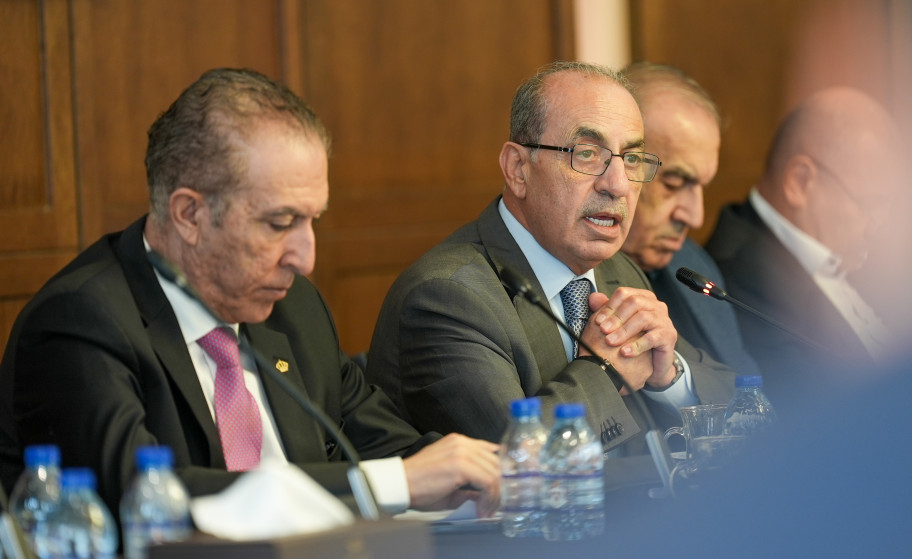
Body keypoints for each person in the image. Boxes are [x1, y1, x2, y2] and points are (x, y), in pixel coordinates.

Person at [0, 68, 500, 520]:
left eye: (312, 220)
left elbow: (391, 451)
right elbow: (143, 501)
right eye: (280, 223)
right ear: (190, 215)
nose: (305, 258)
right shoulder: (81, 321)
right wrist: (389, 485)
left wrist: (494, 475)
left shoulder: (294, 307)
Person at [365, 61, 736, 454]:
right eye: (587, 153)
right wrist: (604, 371)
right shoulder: (447, 297)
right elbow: (516, 458)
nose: (617, 185)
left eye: (631, 159)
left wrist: (669, 376)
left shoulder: (617, 270)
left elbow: (743, 406)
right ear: (518, 169)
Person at [706, 87, 898, 403]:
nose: (883, 225)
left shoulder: (862, 259)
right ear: (800, 182)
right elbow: (814, 410)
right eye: (871, 204)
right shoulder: (742, 274)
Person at [619, 62, 759, 376]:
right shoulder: (569, 286)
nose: (695, 217)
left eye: (700, 187)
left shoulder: (693, 262)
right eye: (674, 183)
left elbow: (745, 385)